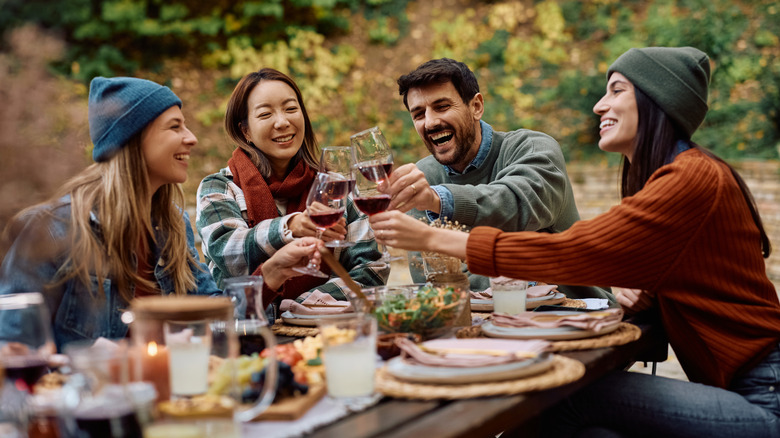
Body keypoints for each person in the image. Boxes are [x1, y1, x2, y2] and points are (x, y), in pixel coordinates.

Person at [369, 47, 780, 436]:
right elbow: (699, 272)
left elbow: (578, 250)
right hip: (744, 389)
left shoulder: (692, 177)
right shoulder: (675, 175)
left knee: (563, 393)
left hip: (765, 397)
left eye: (617, 90)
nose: (599, 105)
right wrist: (652, 290)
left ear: (659, 102)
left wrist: (429, 236)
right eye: (417, 113)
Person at [0, 77, 326, 352]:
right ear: (133, 140)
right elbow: (12, 349)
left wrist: (271, 271)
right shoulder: (51, 230)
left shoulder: (171, 224)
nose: (192, 138)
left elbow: (213, 314)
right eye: (175, 127)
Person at [386, 57, 611, 301]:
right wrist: (523, 272)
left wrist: (436, 199)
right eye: (418, 114)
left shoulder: (533, 149)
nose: (430, 122)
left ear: (476, 106)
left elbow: (515, 205)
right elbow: (433, 277)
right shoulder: (423, 176)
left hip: (577, 313)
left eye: (442, 107)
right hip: (481, 325)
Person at [196, 68, 387, 311]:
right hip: (245, 332)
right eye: (265, 114)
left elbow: (372, 268)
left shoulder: (336, 187)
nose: (283, 122)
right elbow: (228, 253)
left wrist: (300, 308)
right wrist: (290, 227)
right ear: (245, 131)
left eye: (291, 109)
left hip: (325, 334)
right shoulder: (219, 187)